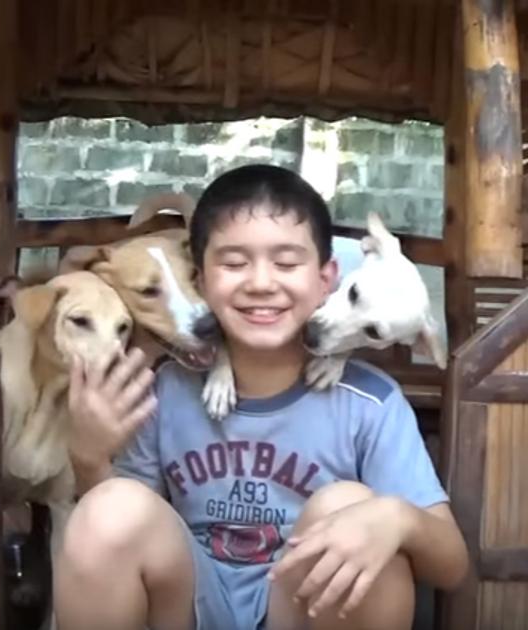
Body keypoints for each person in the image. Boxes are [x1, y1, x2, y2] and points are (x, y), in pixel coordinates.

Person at [53, 165, 468, 630]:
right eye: (233, 263)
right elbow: (118, 537)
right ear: (201, 280)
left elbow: (451, 566)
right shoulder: (163, 391)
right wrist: (88, 458)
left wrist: (396, 518)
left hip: (302, 605)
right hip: (190, 604)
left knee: (349, 506)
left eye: (287, 264)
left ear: (326, 278)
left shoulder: (369, 404)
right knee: (108, 508)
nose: (261, 283)